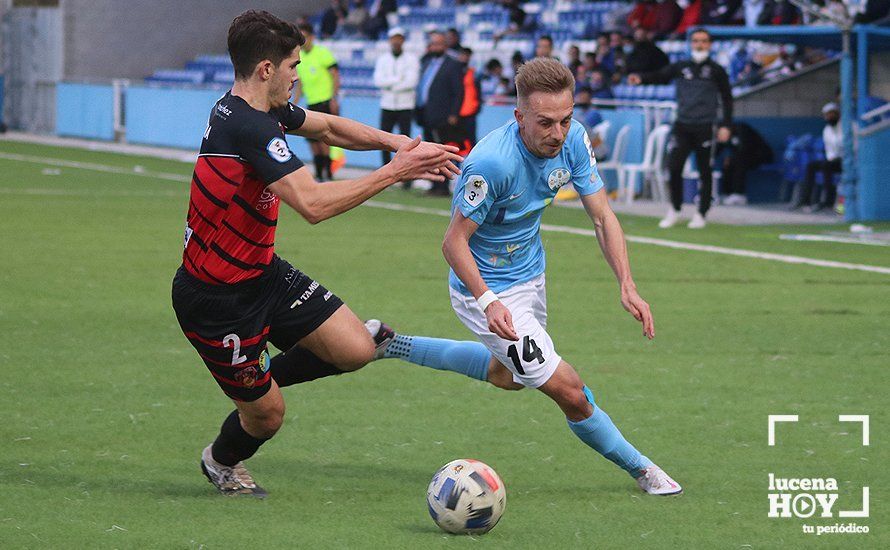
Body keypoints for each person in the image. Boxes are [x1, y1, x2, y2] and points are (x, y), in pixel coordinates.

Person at [171, 10, 461, 497]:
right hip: (216, 301)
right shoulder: (248, 127)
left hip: (263, 275)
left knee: (357, 351)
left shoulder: (254, 111)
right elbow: (313, 204)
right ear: (267, 69)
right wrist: (396, 171)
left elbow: (326, 128)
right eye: (293, 66)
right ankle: (221, 461)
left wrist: (399, 142)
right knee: (267, 417)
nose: (298, 76)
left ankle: (259, 377)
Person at [368, 58, 682, 496]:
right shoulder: (491, 165)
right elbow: (453, 244)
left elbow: (602, 216)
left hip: (532, 272)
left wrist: (626, 283)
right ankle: (643, 469)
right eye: (546, 123)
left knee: (508, 376)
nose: (557, 133)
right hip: (486, 287)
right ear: (519, 117)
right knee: (569, 390)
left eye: (565, 120)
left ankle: (391, 342)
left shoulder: (572, 139)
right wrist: (487, 300)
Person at [629, 28, 732, 229]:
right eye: (695, 41)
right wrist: (641, 78)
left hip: (706, 125)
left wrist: (726, 125)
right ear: (691, 43)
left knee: (705, 171)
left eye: (703, 41)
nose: (699, 45)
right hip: (683, 124)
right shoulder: (681, 66)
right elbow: (660, 75)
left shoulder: (717, 70)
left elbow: (727, 99)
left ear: (709, 44)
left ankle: (701, 212)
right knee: (674, 167)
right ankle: (675, 209)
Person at [416, 31, 465, 195]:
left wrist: (454, 114)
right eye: (433, 44)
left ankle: (443, 185)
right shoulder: (426, 62)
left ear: (445, 46)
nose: (435, 47)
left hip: (442, 115)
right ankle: (433, 183)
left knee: (442, 152)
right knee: (429, 151)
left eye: (439, 44)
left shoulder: (453, 64)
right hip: (426, 113)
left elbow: (458, 92)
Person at [293, 23, 340, 181]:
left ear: (312, 37)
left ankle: (328, 172)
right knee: (313, 141)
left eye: (305, 37)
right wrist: (296, 102)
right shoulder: (300, 58)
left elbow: (335, 75)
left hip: (325, 102)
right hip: (311, 104)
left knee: (324, 140)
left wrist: (334, 98)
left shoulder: (323, 53)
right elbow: (300, 84)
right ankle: (319, 174)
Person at [373, 27, 420, 168]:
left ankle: (405, 171)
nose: (396, 41)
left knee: (406, 142)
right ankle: (386, 170)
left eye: (399, 38)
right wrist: (398, 80)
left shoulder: (411, 59)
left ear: (403, 40)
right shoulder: (383, 59)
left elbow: (411, 82)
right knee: (383, 140)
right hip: (387, 105)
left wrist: (390, 84)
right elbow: (378, 81)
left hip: (405, 105)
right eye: (394, 38)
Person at [795, 103, 842, 211]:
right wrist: (831, 158)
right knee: (811, 166)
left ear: (837, 114)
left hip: (847, 160)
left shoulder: (848, 126)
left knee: (826, 166)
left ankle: (828, 201)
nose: (829, 117)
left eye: (832, 114)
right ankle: (806, 201)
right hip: (832, 160)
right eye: (827, 115)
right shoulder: (827, 130)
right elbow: (829, 149)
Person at [718, 121, 773, 205]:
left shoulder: (742, 129)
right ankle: (727, 193)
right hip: (742, 158)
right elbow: (717, 150)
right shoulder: (725, 138)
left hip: (760, 156)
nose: (720, 136)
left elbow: (746, 149)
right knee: (728, 164)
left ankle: (739, 194)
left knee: (738, 162)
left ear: (725, 129)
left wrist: (732, 158)